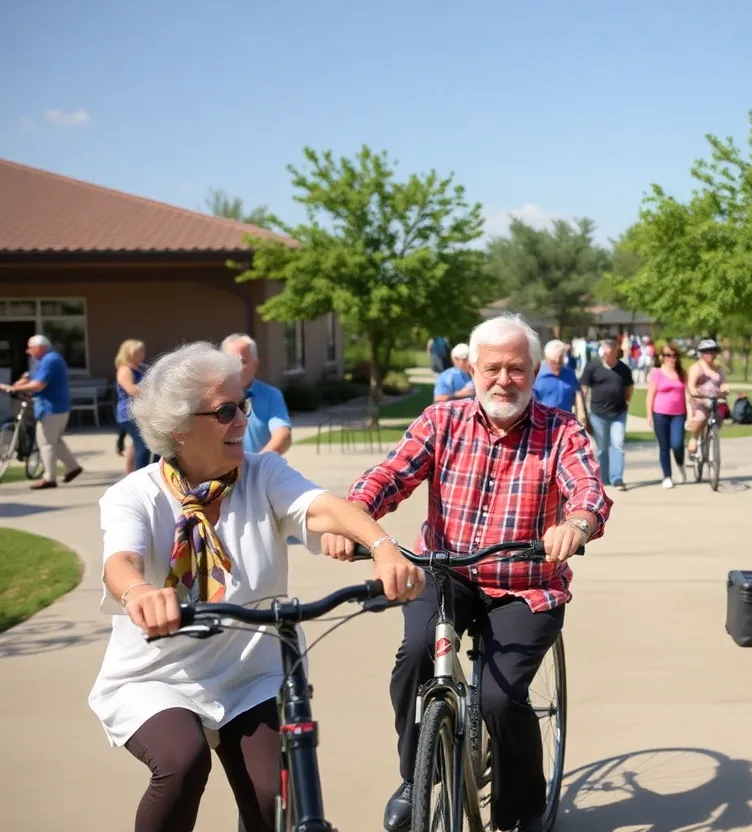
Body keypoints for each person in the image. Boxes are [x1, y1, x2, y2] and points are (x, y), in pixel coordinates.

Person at [86, 342, 423, 832]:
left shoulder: (262, 473)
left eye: (242, 404)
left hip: (252, 673)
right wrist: (140, 593)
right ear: (179, 428)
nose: (243, 419)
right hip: (157, 675)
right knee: (183, 763)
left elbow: (324, 507)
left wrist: (384, 547)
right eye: (225, 411)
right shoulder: (133, 495)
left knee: (272, 796)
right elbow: (121, 562)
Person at [324, 313, 611, 832]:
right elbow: (390, 474)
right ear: (472, 369)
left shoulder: (561, 430)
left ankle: (522, 808)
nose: (505, 380)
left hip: (527, 585)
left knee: (502, 699)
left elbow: (587, 487)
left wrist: (577, 522)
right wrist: (354, 519)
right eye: (493, 368)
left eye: (517, 369)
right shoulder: (442, 421)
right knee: (414, 658)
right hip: (444, 572)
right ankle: (416, 775)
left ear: (532, 372)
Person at [0, 334, 82, 489]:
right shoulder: (45, 360)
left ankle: (49, 478)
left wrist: (14, 388)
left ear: (39, 347)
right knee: (54, 440)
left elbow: (38, 385)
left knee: (46, 443)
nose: (28, 352)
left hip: (51, 408)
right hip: (56, 407)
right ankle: (73, 467)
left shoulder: (50, 360)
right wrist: (18, 384)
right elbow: (30, 376)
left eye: (30, 348)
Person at [220, 334, 292, 455]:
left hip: (259, 470)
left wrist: (255, 465)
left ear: (256, 365)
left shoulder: (271, 396)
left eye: (243, 362)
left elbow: (283, 436)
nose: (237, 368)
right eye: (231, 362)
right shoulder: (211, 396)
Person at [580, 337, 633, 491]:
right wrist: (582, 409)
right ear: (603, 352)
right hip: (598, 413)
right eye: (607, 352)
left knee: (618, 444)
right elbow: (584, 387)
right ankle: (603, 478)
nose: (609, 355)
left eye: (612, 352)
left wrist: (627, 402)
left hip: (619, 412)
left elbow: (629, 386)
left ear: (616, 352)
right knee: (602, 447)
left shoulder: (623, 368)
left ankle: (617, 478)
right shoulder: (593, 366)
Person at [645, 340, 690, 489]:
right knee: (664, 446)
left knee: (677, 444)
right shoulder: (656, 373)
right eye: (667, 355)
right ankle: (667, 476)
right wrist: (649, 415)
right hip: (660, 413)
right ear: (661, 357)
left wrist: (692, 413)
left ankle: (680, 465)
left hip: (679, 414)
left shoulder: (682, 374)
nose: (671, 358)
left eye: (674, 355)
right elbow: (651, 395)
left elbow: (688, 395)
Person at [685, 338, 729, 459]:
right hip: (699, 399)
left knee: (719, 417)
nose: (709, 354)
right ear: (701, 353)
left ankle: (710, 437)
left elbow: (723, 383)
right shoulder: (696, 368)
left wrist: (725, 389)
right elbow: (691, 387)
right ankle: (694, 438)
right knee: (701, 417)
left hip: (715, 400)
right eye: (706, 351)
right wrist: (697, 394)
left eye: (712, 351)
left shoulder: (718, 368)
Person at [115, 339, 153, 475]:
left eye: (142, 351)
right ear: (129, 353)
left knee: (135, 445)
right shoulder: (125, 369)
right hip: (129, 413)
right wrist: (152, 392)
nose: (142, 354)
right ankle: (139, 475)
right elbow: (131, 389)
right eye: (138, 352)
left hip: (141, 411)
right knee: (143, 445)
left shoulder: (141, 367)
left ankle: (128, 474)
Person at [533, 339, 582, 417]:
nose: (557, 362)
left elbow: (577, 395)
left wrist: (581, 416)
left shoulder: (570, 374)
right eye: (554, 361)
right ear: (547, 358)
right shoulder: (537, 376)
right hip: (544, 422)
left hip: (566, 422)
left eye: (560, 359)